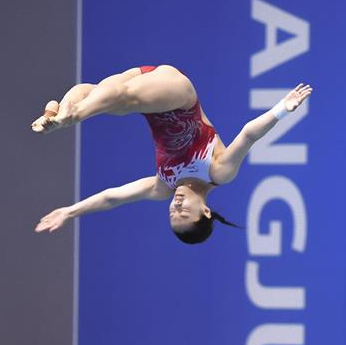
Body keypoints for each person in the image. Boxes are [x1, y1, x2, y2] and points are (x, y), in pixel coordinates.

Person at [32, 65, 311, 244]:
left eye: (172, 214)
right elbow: (249, 135)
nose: (176, 206)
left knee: (89, 93)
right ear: (205, 211)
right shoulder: (219, 173)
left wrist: (70, 212)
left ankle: (58, 115)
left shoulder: (163, 186)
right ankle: (68, 118)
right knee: (123, 99)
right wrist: (281, 110)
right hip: (178, 95)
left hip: (146, 92)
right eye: (184, 212)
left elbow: (112, 197)